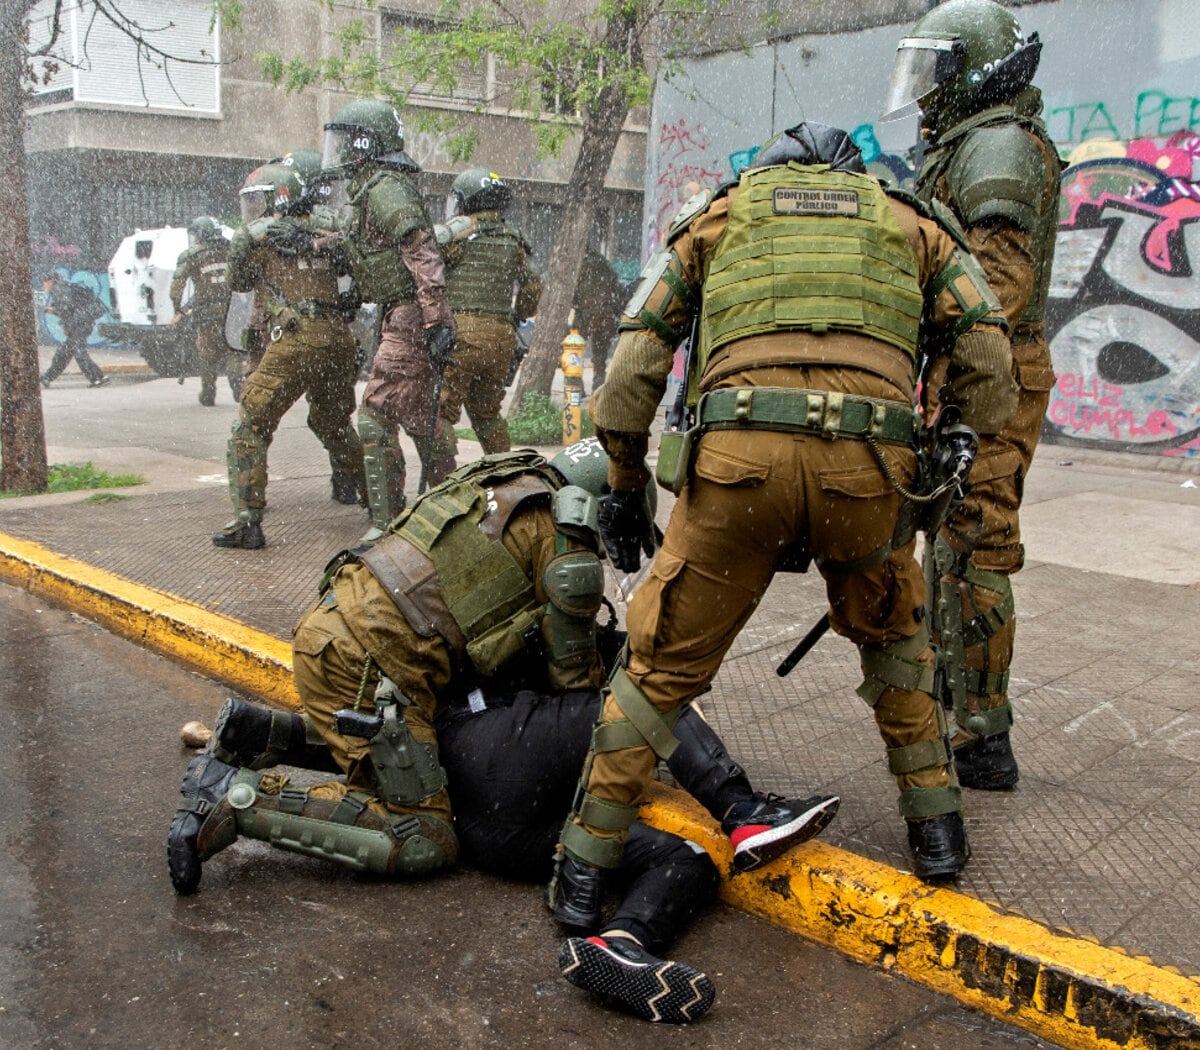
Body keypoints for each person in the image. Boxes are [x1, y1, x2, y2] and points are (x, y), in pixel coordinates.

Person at [168, 440, 839, 1023]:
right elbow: (587, 680)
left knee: (681, 858)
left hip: (434, 729)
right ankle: (239, 800)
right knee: (429, 830)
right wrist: (625, 674)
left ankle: (620, 943)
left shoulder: (502, 480)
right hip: (394, 679)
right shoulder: (564, 528)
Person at [550, 121, 1019, 915]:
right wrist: (948, 443)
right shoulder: (913, 224)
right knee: (898, 639)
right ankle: (939, 835)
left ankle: (584, 873)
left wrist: (626, 484)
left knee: (660, 668)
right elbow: (990, 362)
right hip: (868, 473)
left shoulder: (720, 217)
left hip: (740, 470)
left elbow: (633, 364)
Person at [882, 0, 1062, 789]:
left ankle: (985, 738)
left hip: (993, 377)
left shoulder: (997, 147)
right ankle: (957, 704)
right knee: (949, 546)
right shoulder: (973, 140)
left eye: (936, 67)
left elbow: (1001, 285)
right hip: (969, 371)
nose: (924, 87)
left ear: (973, 70)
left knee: (976, 550)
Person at [211, 162, 366, 550]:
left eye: (261, 199)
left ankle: (247, 523)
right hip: (337, 340)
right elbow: (357, 268)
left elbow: (238, 281)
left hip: (295, 339)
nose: (256, 207)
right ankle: (378, 501)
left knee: (250, 428)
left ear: (278, 197)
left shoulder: (257, 235)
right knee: (334, 424)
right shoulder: (331, 231)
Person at [322, 98, 456, 539]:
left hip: (410, 318)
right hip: (401, 315)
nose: (338, 152)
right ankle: (454, 509)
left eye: (345, 141)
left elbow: (420, 248)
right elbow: (373, 253)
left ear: (365, 143)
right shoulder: (373, 190)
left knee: (376, 414)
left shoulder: (384, 187)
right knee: (419, 415)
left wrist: (435, 319)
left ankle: (388, 524)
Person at [432, 167, 542, 470]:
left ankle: (446, 484)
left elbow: (426, 258)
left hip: (462, 336)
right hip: (502, 339)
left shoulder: (458, 230)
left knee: (441, 413)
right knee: (488, 414)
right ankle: (508, 477)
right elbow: (533, 285)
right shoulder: (514, 238)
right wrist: (518, 315)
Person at [169, 216, 240, 406]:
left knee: (207, 354)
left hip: (207, 315)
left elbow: (176, 287)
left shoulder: (191, 255)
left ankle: (208, 393)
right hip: (232, 312)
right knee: (232, 350)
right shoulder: (232, 250)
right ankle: (238, 386)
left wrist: (177, 307)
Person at [40, 272, 109, 388]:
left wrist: (53, 310)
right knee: (64, 353)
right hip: (81, 324)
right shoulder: (62, 288)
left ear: (50, 281)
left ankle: (97, 378)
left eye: (44, 283)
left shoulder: (59, 290)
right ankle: (47, 377)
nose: (44, 286)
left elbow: (66, 308)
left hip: (80, 325)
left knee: (78, 353)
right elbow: (70, 306)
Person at [573, 248, 623, 388]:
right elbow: (615, 285)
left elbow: (573, 292)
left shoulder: (579, 265)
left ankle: (576, 384)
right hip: (604, 312)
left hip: (584, 313)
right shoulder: (603, 263)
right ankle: (598, 382)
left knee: (575, 349)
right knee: (600, 350)